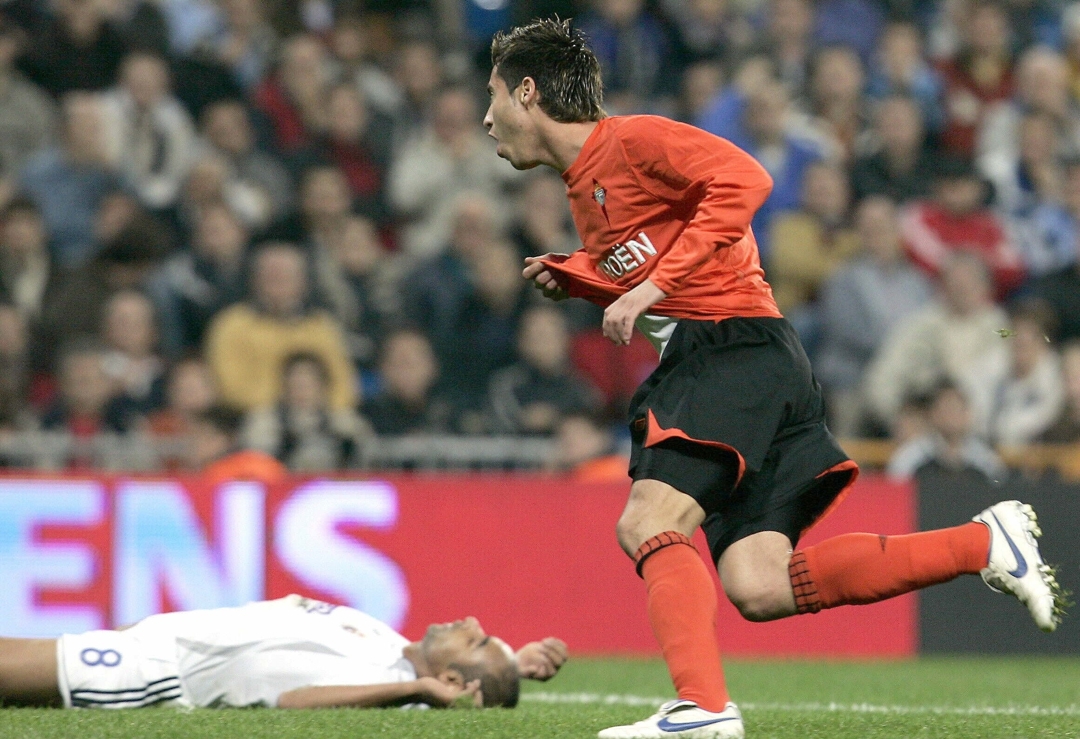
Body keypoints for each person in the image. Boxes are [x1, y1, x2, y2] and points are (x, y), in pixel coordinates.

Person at [484, 20, 1065, 739]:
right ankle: (984, 544)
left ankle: (702, 708)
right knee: (757, 585)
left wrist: (644, 286)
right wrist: (581, 276)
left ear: (528, 92)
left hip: (731, 349)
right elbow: (658, 256)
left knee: (648, 520)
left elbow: (745, 179)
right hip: (760, 357)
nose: (486, 117)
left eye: (493, 96)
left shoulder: (630, 141)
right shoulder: (585, 188)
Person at [0, 594, 568, 710]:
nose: (469, 618)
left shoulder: (379, 678)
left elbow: (292, 701)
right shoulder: (386, 643)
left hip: (154, 671)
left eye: (476, 637)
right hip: (147, 640)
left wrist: (418, 689)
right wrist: (509, 667)